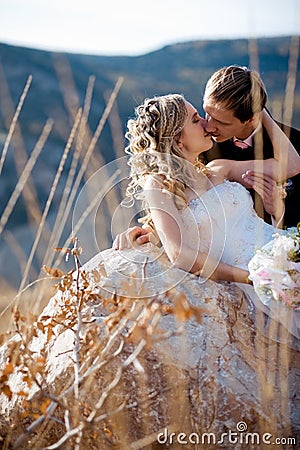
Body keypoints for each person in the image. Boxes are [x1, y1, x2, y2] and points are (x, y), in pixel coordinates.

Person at [110, 93, 300, 339]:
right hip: (259, 280)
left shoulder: (219, 169)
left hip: (285, 251)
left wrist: (256, 109)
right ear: (178, 138)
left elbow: (292, 164)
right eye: (196, 119)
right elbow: (178, 253)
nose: (207, 125)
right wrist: (255, 277)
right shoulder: (158, 185)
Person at [202, 65, 300, 228]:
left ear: (252, 119)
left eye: (221, 122)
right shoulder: (202, 142)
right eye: (207, 113)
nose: (209, 127)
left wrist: (278, 212)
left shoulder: (294, 144)